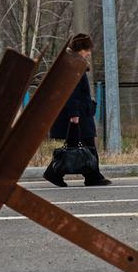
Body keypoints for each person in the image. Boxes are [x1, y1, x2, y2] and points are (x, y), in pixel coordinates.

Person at [44, 33, 112, 187]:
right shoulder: (74, 65)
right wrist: (74, 114)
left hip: (80, 111)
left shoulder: (73, 63)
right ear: (80, 49)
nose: (89, 53)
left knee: (75, 143)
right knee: (87, 143)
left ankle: (54, 172)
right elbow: (72, 92)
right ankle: (93, 176)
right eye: (87, 49)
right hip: (78, 112)